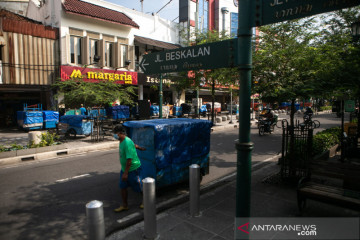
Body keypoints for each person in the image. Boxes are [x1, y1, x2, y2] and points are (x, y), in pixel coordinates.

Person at [113, 125, 146, 212]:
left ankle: (146, 201)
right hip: (125, 169)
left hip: (133, 170)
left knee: (139, 187)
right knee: (122, 187)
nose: (115, 136)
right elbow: (134, 145)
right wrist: (140, 148)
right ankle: (125, 205)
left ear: (120, 133)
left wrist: (125, 173)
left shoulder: (127, 142)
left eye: (115, 134)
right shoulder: (122, 141)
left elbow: (129, 160)